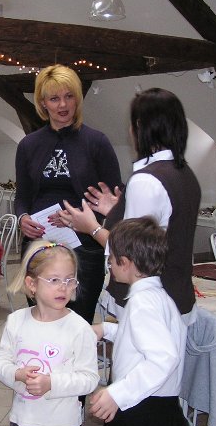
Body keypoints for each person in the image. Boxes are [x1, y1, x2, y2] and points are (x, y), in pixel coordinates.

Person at [61, 87, 202, 320]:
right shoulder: (184, 173)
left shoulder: (147, 180)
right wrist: (117, 210)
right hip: (177, 296)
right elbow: (160, 225)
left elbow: (132, 254)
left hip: (150, 305)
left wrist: (91, 227)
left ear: (139, 126)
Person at [15, 64, 122, 324]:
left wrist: (85, 220)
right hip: (40, 246)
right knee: (41, 322)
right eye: (54, 98)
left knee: (78, 324)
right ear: (43, 103)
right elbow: (22, 196)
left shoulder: (97, 142)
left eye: (69, 96)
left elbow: (115, 200)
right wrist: (22, 218)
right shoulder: (28, 145)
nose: (63, 105)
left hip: (85, 249)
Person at [0, 240, 99, 426]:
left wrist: (52, 383)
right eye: (54, 280)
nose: (63, 287)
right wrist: (17, 374)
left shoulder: (79, 328)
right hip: (21, 425)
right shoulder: (17, 321)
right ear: (32, 284)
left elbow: (90, 378)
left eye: (70, 280)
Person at [90, 217, 187, 426]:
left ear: (126, 263)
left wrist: (117, 394)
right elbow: (142, 337)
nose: (109, 264)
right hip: (159, 409)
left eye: (111, 259)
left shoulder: (143, 304)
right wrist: (106, 329)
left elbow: (163, 358)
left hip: (142, 413)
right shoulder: (158, 297)